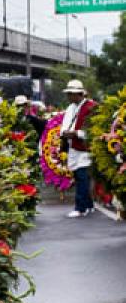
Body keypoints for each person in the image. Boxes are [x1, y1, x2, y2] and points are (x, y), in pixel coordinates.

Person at [59, 79, 97, 218]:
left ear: (79, 94)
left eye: (71, 94)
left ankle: (80, 208)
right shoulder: (71, 107)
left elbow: (93, 131)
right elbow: (65, 125)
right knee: (79, 176)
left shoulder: (91, 107)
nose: (68, 96)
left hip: (84, 148)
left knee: (81, 177)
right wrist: (64, 132)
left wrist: (76, 133)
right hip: (73, 147)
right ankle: (89, 205)